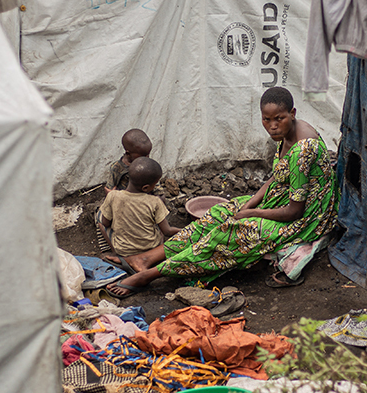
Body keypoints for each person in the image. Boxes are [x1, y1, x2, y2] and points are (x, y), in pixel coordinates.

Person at [108, 87, 338, 295]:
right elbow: (275, 177)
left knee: (231, 233)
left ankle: (151, 274)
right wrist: (248, 204)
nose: (272, 125)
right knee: (218, 214)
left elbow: (294, 212)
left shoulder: (303, 149)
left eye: (279, 118)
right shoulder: (285, 135)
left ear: (293, 113)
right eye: (266, 120)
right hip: (280, 199)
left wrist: (252, 214)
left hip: (307, 217)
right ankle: (147, 257)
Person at [99, 157, 182, 273]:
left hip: (124, 250)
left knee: (99, 219)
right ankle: (153, 257)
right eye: (155, 184)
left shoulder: (113, 196)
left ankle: (115, 253)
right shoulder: (155, 202)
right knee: (158, 225)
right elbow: (167, 231)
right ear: (146, 188)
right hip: (152, 248)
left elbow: (105, 223)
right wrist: (187, 230)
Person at [97, 129, 153, 252]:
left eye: (148, 154)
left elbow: (154, 184)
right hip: (122, 202)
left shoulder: (146, 165)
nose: (147, 158)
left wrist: (158, 196)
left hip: (142, 201)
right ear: (128, 152)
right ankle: (107, 248)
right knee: (100, 217)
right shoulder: (117, 168)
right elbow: (110, 190)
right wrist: (112, 195)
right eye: (143, 155)